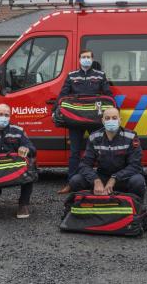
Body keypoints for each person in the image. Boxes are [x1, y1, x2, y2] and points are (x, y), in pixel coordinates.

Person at [57, 49, 113, 194]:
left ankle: (102, 181)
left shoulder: (100, 75)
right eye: (83, 57)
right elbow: (63, 95)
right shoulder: (72, 75)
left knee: (99, 152)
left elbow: (108, 95)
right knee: (74, 152)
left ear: (92, 59)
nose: (86, 59)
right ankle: (71, 183)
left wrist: (113, 111)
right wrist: (56, 110)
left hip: (94, 119)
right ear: (79, 59)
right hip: (75, 119)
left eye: (88, 57)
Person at [69, 107, 146, 199]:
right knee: (76, 181)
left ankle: (136, 209)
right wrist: (95, 180)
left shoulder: (131, 137)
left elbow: (135, 165)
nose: (111, 121)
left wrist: (114, 178)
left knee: (138, 181)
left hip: (123, 179)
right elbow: (84, 165)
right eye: (107, 118)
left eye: (114, 118)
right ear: (103, 121)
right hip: (102, 178)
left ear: (120, 120)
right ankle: (86, 206)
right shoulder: (94, 137)